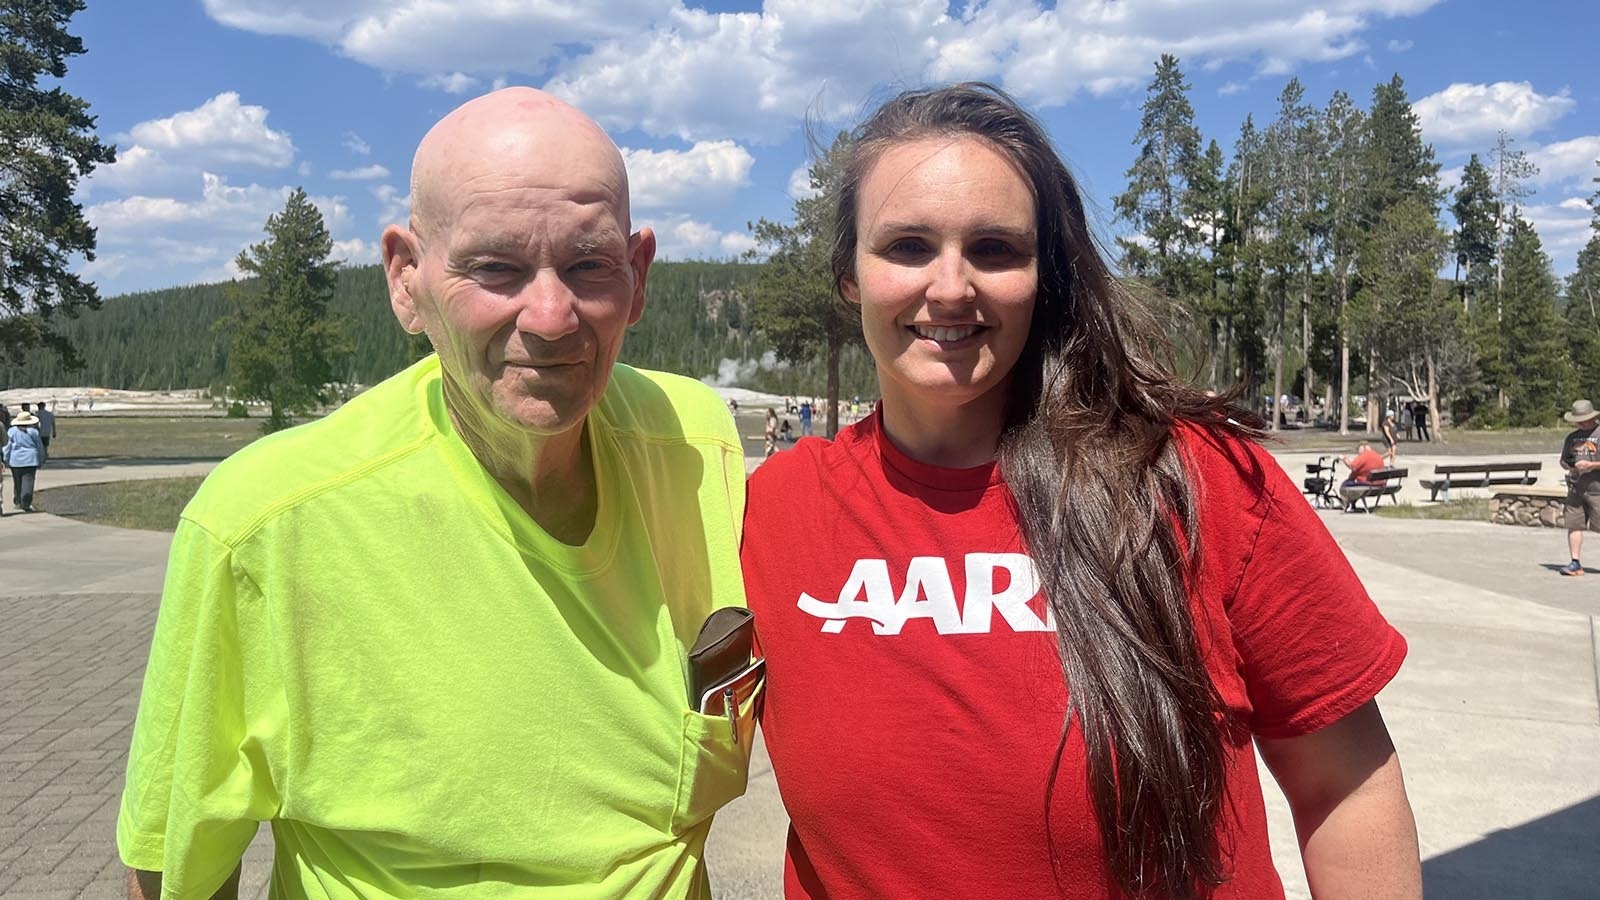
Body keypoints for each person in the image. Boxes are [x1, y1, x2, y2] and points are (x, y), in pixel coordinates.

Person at [741, 83, 1419, 900]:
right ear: (849, 275)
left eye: (994, 249)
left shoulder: (1195, 480)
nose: (952, 287)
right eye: (908, 246)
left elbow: (1345, 785)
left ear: (1045, 274)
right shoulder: (775, 509)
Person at [118, 88, 754, 900]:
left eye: (589, 264)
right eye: (496, 268)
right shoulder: (267, 523)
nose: (552, 316)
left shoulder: (698, 450)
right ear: (406, 278)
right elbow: (174, 873)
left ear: (637, 277)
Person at [1558, 399, 1600, 576]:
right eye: (1578, 419)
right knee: (1574, 525)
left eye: (1584, 419)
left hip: (1597, 490)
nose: (1580, 422)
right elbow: (1564, 460)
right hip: (1576, 489)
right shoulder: (1572, 437)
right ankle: (1575, 563)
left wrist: (1592, 466)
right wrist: (1572, 468)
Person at [4, 409, 46, 512]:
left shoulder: (11, 431)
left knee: (17, 482)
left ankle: (18, 500)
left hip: (15, 460)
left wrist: (6, 458)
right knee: (28, 481)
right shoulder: (34, 432)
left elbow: (8, 447)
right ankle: (26, 502)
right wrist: (41, 459)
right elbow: (39, 447)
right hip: (30, 460)